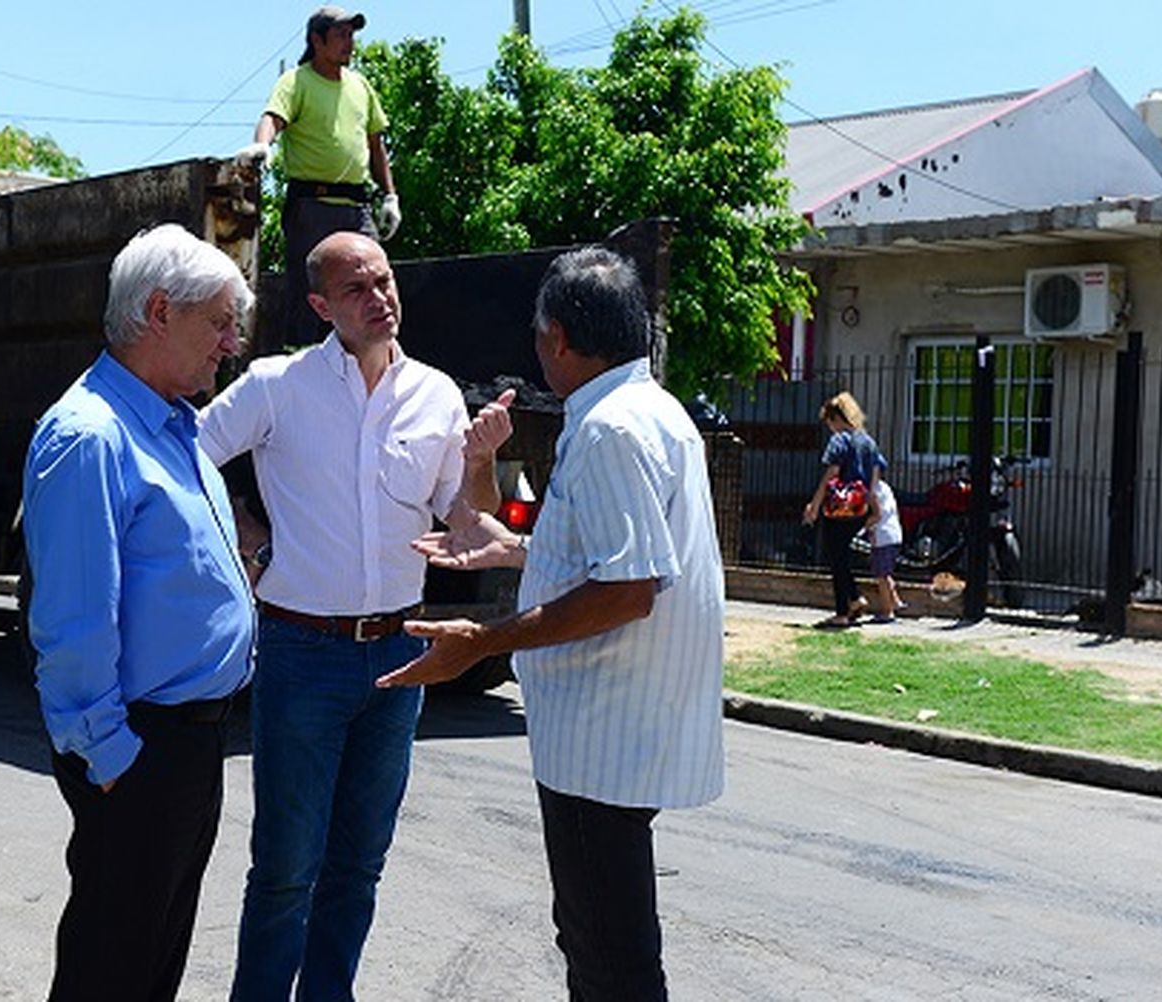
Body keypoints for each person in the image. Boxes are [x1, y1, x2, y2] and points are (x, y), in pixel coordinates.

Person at [377, 246, 725, 1002]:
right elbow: (617, 556)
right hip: (627, 728)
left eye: (539, 337)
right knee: (609, 942)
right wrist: (517, 548)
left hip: (600, 738)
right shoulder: (652, 413)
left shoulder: (608, 430)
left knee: (609, 957)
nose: (537, 353)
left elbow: (627, 588)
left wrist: (484, 640)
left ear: (559, 338)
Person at [197, 230, 513, 1001]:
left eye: (384, 281)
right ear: (319, 306)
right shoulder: (279, 386)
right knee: (284, 869)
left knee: (359, 865)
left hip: (401, 656)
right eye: (357, 289)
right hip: (302, 651)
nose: (380, 299)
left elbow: (469, 521)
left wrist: (479, 459)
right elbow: (187, 453)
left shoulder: (436, 394)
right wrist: (249, 535)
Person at [23, 223, 256, 1002]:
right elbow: (72, 621)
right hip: (139, 752)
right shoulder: (90, 435)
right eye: (219, 322)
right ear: (159, 311)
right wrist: (112, 758)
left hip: (188, 744)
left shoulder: (172, 422)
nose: (231, 343)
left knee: (152, 966)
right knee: (110, 970)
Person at [235, 5, 400, 345]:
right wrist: (262, 146)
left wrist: (390, 196)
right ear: (317, 40)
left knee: (373, 283)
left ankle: (370, 367)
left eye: (352, 36)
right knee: (310, 294)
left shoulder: (360, 86)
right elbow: (272, 118)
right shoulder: (297, 81)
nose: (349, 43)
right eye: (341, 35)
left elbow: (375, 144)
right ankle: (304, 370)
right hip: (312, 207)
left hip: (357, 209)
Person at [802, 391, 884, 628]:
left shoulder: (839, 440)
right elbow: (875, 478)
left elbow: (832, 474)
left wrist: (814, 504)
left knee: (835, 556)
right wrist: (874, 509)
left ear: (835, 418)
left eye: (829, 422)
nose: (829, 427)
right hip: (859, 507)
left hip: (838, 507)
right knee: (841, 555)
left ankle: (842, 610)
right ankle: (855, 598)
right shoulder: (868, 442)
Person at [867, 473, 903, 622]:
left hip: (883, 536)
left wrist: (863, 527)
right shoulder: (885, 487)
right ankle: (895, 601)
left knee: (881, 576)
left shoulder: (872, 490)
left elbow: (877, 516)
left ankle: (887, 611)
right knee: (886, 572)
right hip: (894, 533)